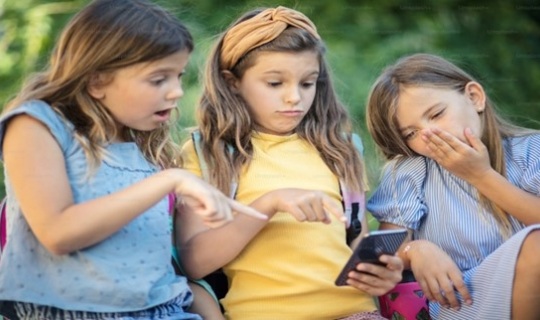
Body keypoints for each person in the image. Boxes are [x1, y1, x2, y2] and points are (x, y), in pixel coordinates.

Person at [0, 0, 265, 319]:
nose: (177, 91)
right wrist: (168, 181)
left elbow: (166, 273)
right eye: (158, 79)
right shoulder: (36, 125)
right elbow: (58, 234)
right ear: (97, 81)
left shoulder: (143, 148)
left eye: (178, 76)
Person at [175, 6, 404, 320]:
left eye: (307, 83)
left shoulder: (341, 149)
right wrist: (269, 203)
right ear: (232, 82)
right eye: (274, 83)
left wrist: (380, 273)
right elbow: (194, 263)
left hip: (353, 312)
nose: (294, 97)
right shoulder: (207, 154)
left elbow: (355, 240)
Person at [365, 53, 540, 320]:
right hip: (455, 302)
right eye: (410, 133)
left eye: (436, 114)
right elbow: (383, 252)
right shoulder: (410, 172)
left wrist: (481, 175)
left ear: (474, 97)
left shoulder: (531, 152)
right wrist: (415, 251)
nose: (428, 135)